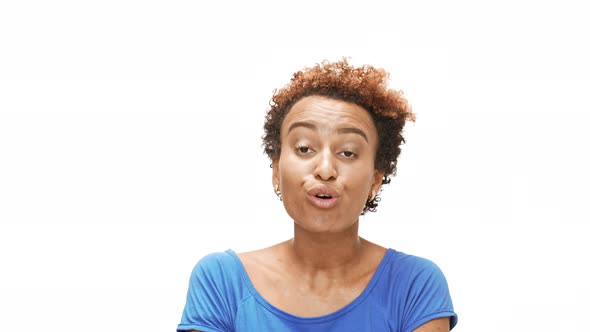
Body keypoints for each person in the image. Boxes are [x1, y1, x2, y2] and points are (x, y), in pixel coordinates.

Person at [177, 58, 458, 331]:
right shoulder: (221, 280)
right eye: (304, 148)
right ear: (276, 170)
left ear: (375, 179)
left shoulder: (415, 284)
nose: (325, 170)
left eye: (347, 152)